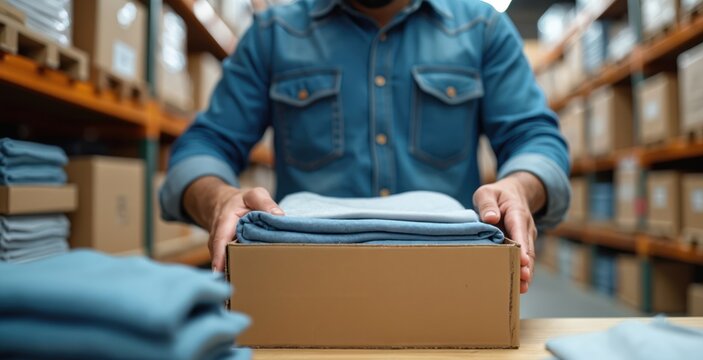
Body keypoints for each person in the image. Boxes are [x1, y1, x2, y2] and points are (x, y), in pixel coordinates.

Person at [160, 0, 570, 293]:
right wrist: (218, 200)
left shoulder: (482, 29)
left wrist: (520, 186)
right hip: (303, 291)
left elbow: (535, 137)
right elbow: (203, 146)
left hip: (448, 288)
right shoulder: (274, 35)